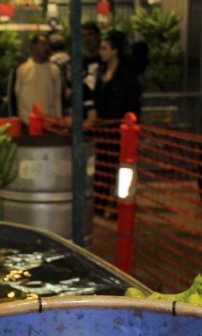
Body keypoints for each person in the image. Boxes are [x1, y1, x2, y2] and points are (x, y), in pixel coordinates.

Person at [92, 29, 141, 216]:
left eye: (104, 48)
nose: (101, 52)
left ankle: (120, 206)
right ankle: (100, 204)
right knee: (103, 169)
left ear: (115, 50)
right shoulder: (101, 73)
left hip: (120, 132)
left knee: (123, 171)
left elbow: (132, 105)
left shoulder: (126, 76)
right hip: (104, 131)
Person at [13, 33, 62, 126]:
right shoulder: (22, 69)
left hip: (49, 122)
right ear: (33, 46)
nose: (46, 48)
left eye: (47, 44)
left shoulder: (54, 70)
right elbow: (17, 94)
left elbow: (57, 98)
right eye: (43, 44)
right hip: (27, 122)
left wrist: (58, 120)